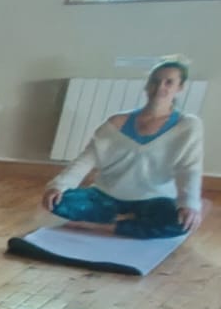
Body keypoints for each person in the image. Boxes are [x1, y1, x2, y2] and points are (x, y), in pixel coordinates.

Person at [41, 59, 204, 237]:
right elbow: (86, 159)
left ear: (180, 87)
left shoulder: (187, 125)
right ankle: (129, 222)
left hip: (155, 199)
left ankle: (102, 226)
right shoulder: (116, 122)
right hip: (107, 195)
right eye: (155, 81)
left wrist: (189, 204)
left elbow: (190, 168)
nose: (160, 87)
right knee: (58, 202)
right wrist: (59, 186)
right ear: (147, 85)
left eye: (169, 82)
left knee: (181, 223)